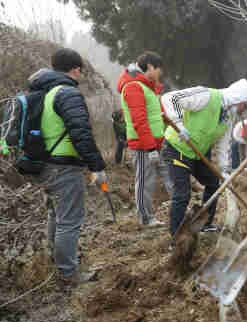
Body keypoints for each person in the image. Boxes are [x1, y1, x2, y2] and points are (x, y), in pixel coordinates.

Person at [35, 48, 107, 284]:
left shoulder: (45, 92)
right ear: (75, 69)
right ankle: (68, 273)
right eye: (80, 71)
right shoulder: (67, 93)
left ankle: (57, 264)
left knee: (56, 215)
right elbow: (81, 134)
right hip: (64, 167)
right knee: (70, 219)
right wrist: (96, 166)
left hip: (46, 165)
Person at [161, 79, 247, 236]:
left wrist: (225, 171)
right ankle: (176, 236)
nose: (244, 110)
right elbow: (171, 98)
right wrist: (179, 124)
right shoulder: (206, 96)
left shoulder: (228, 116)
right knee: (182, 193)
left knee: (214, 183)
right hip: (177, 149)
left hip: (197, 154)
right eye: (245, 105)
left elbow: (224, 145)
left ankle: (205, 224)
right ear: (237, 97)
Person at [117, 51, 173, 227]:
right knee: (145, 182)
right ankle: (146, 218)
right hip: (143, 146)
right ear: (149, 66)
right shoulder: (133, 87)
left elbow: (156, 115)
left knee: (171, 175)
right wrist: (149, 149)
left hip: (158, 143)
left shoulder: (147, 86)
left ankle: (181, 209)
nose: (160, 74)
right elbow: (139, 120)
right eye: (158, 69)